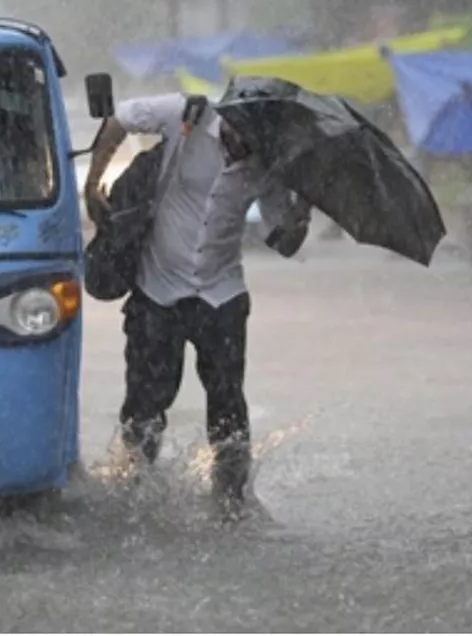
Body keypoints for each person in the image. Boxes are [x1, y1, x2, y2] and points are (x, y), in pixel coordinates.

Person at [85, 93, 311, 519]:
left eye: (251, 144)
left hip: (221, 294)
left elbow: (284, 243)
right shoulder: (184, 114)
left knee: (227, 404)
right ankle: (134, 494)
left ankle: (231, 502)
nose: (239, 148)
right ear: (227, 118)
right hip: (157, 290)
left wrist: (304, 209)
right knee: (145, 404)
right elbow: (120, 119)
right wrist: (92, 181)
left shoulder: (268, 165)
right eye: (235, 135)